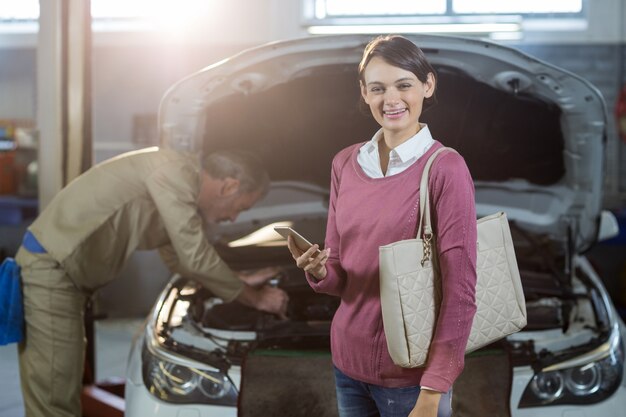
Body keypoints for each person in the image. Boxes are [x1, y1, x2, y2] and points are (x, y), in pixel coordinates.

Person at [15, 147, 289, 417]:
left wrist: (240, 280)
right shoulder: (174, 174)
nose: (233, 218)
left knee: (58, 389)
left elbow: (180, 260)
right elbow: (194, 257)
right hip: (53, 273)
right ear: (229, 186)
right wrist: (257, 299)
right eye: (241, 208)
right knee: (53, 402)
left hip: (63, 279)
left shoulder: (180, 192)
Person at [287, 35, 477, 417]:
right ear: (364, 93)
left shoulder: (445, 168)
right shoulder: (345, 162)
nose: (390, 99)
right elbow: (342, 273)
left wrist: (433, 389)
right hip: (347, 363)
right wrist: (320, 270)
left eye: (403, 85)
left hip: (411, 378)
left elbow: (461, 291)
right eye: (378, 89)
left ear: (428, 85)